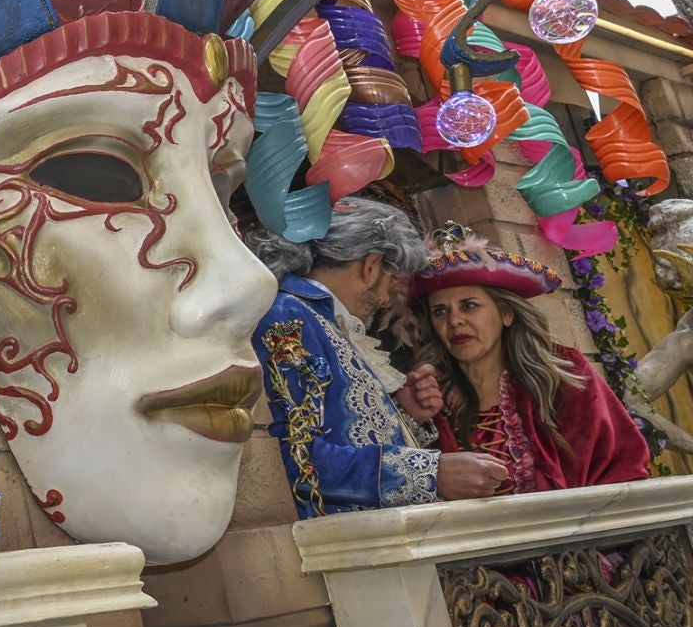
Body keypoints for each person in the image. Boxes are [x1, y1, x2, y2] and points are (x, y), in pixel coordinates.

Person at [248, 196, 506, 516]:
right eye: (390, 282)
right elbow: (299, 457)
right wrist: (431, 473)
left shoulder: (320, 320)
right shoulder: (288, 317)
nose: (386, 301)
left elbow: (344, 430)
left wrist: (405, 414)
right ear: (371, 266)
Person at [414, 223, 650, 493]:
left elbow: (623, 467)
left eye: (469, 305)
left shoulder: (562, 375)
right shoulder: (428, 397)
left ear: (506, 313)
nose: (454, 320)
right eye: (440, 311)